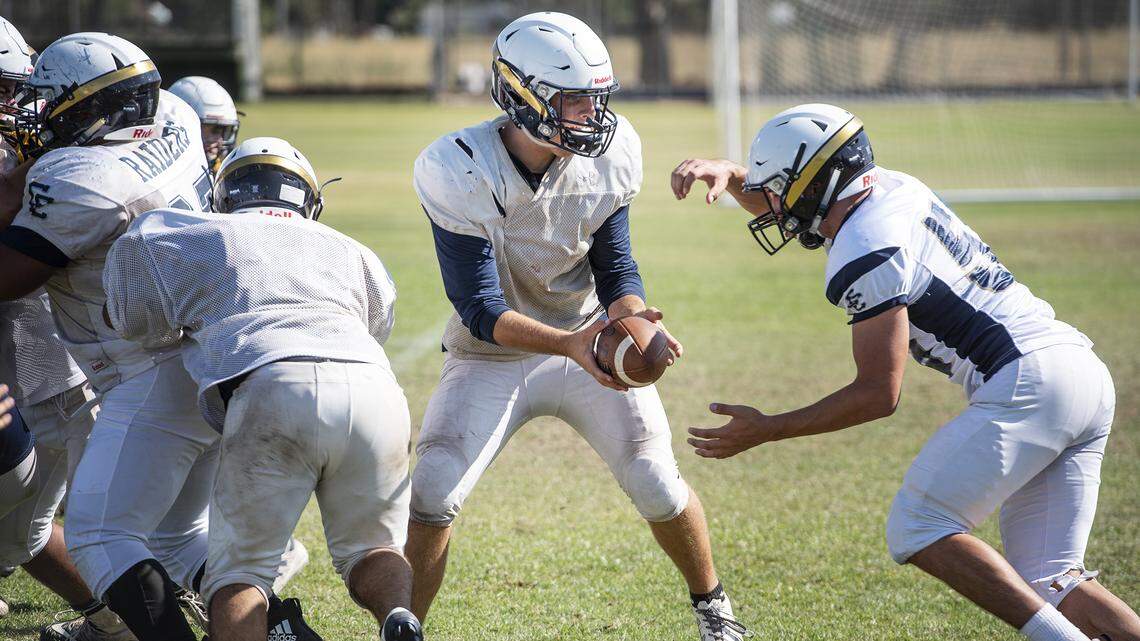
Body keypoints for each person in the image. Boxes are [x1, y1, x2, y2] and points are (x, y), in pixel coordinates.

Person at [673, 103, 1140, 641]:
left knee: (918, 525)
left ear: (816, 183)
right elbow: (811, 206)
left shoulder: (866, 249)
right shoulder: (891, 188)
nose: (771, 205)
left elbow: (878, 393)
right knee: (1050, 579)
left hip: (1030, 384)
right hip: (1079, 370)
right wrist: (734, 175)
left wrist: (768, 428)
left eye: (778, 188)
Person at [408, 12, 749, 640]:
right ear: (520, 92)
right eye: (572, 101)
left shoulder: (612, 156)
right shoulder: (458, 165)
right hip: (492, 355)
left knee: (656, 481)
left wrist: (635, 319)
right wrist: (572, 344)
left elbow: (616, 268)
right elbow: (479, 308)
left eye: (596, 100)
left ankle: (714, 611)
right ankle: (404, 630)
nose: (590, 117)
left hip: (587, 335)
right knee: (433, 491)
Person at [103, 137, 422, 641]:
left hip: (274, 385)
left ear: (226, 192)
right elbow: (376, 322)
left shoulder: (196, 233)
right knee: (373, 549)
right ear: (308, 199)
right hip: (374, 387)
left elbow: (131, 319)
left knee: (240, 574)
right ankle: (398, 618)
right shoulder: (351, 249)